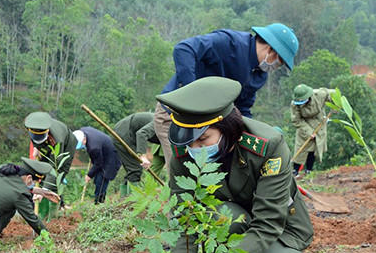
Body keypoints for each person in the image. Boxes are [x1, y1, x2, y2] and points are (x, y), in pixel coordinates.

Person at [159, 77, 314, 253]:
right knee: (220, 215)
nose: (195, 149)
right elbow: (185, 219)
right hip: (230, 217)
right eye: (190, 142)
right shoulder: (184, 153)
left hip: (278, 228)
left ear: (227, 128)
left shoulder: (268, 146)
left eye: (204, 140)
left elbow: (268, 223)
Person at [154, 24, 300, 168]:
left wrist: (249, 133)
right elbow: (184, 49)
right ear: (271, 50)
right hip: (176, 115)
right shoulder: (229, 43)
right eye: (279, 62)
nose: (275, 67)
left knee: (212, 171)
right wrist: (192, 101)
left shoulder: (259, 75)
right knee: (182, 170)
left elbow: (243, 106)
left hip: (209, 125)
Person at [25, 111, 77, 205]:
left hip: (67, 145)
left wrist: (44, 191)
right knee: (42, 170)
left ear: (47, 131)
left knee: (59, 172)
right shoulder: (33, 127)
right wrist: (36, 147)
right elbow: (35, 138)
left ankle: (58, 205)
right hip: (46, 143)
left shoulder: (58, 140)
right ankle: (37, 204)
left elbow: (54, 167)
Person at [113, 112, 164, 184]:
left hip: (129, 132)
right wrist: (142, 155)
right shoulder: (161, 123)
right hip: (125, 132)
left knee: (132, 170)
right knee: (135, 169)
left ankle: (126, 193)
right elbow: (141, 134)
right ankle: (132, 194)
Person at [290, 84, 331, 177]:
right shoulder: (294, 104)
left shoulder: (319, 94)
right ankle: (295, 170)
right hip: (304, 125)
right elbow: (296, 120)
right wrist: (309, 132)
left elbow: (333, 95)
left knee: (313, 148)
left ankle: (309, 170)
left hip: (318, 122)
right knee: (301, 148)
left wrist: (335, 106)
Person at [74, 127, 122, 204]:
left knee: (101, 181)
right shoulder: (82, 131)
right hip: (101, 153)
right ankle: (98, 200)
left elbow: (98, 163)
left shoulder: (93, 147)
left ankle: (99, 203)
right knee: (97, 180)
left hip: (110, 157)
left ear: (84, 139)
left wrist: (89, 175)